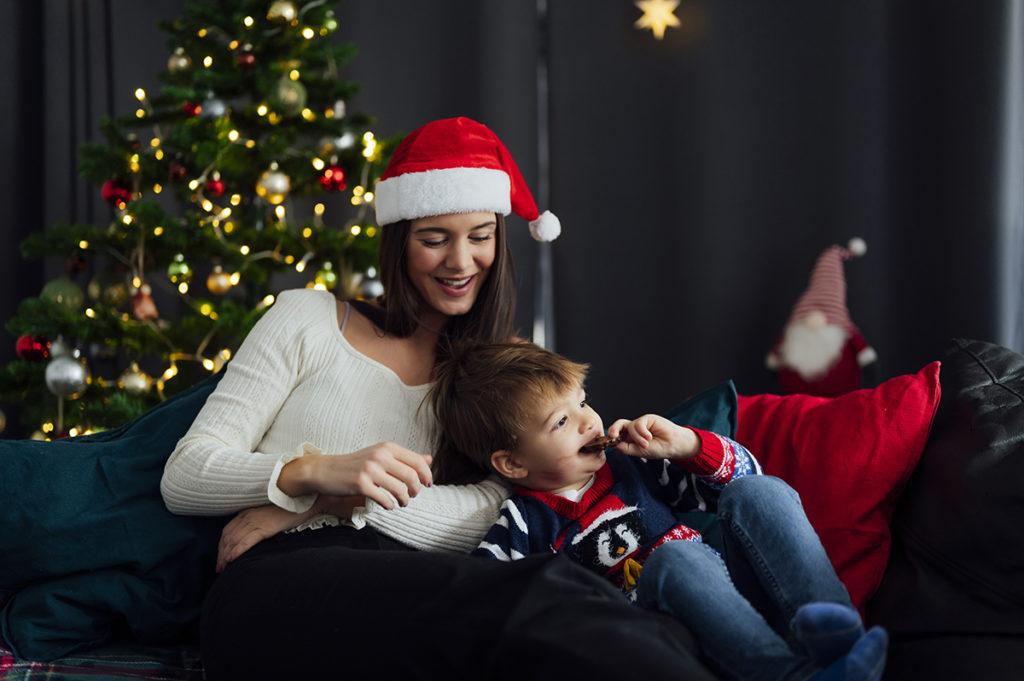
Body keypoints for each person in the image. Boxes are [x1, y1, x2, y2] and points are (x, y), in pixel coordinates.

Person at [160, 117, 716, 681]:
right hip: (279, 586)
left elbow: (504, 511)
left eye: (480, 236)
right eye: (434, 239)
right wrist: (313, 473)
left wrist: (344, 498)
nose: (460, 262)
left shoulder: (503, 371)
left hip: (420, 588)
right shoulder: (306, 318)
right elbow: (186, 474)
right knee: (541, 598)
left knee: (596, 607)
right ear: (400, 242)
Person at [427, 340, 889, 681]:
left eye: (582, 402)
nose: (590, 420)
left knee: (761, 492)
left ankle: (838, 637)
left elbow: (743, 480)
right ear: (513, 463)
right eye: (562, 422)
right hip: (667, 633)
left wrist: (687, 445)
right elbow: (486, 601)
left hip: (749, 602)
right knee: (675, 560)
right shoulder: (524, 524)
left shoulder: (635, 468)